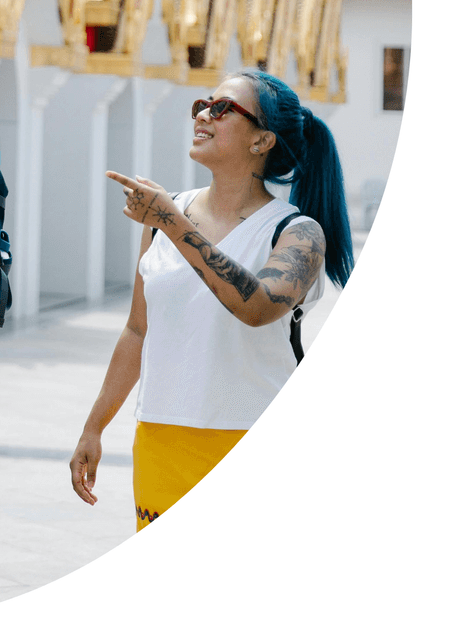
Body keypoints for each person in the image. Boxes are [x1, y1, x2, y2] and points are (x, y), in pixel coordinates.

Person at [69, 67, 353, 530]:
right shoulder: (165, 213)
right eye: (202, 104)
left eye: (223, 108)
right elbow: (138, 329)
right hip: (162, 436)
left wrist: (172, 223)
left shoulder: (297, 232)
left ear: (262, 141)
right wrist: (94, 426)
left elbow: (257, 307)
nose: (204, 115)